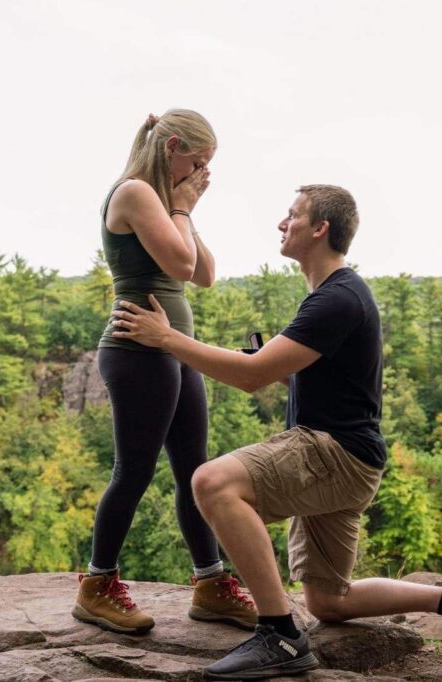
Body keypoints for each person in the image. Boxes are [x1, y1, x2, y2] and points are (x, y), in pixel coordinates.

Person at [111, 184, 442, 679]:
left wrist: (167, 338)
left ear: (320, 229)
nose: (281, 223)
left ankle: (280, 636)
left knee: (212, 482)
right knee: (329, 600)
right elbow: (270, 366)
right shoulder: (332, 295)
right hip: (352, 462)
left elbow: (252, 378)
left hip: (331, 453)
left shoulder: (336, 299)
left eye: (292, 215)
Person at [72, 109, 258, 636]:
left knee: (193, 470)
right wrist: (180, 205)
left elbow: (205, 274)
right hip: (138, 351)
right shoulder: (133, 192)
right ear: (172, 146)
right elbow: (178, 267)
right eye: (197, 162)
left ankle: (211, 585)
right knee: (133, 471)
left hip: (174, 348)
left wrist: (185, 209)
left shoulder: (166, 202)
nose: (201, 174)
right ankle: (97, 585)